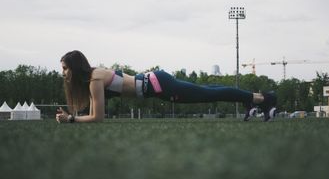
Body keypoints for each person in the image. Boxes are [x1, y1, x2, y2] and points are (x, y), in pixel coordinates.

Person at [56, 50, 277, 123]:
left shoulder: (95, 79)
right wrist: (72, 116)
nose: (64, 73)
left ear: (75, 67)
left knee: (208, 93)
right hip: (157, 83)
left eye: (65, 68)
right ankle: (254, 98)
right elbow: (89, 112)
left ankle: (265, 99)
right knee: (208, 89)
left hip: (159, 85)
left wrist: (71, 119)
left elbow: (98, 118)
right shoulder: (94, 78)